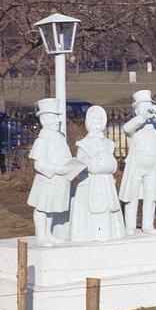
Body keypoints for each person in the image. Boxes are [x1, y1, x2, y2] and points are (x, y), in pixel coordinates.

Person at [118, 90, 156, 235]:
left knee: (150, 197)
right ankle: (130, 226)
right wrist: (143, 117)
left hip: (153, 169)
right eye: (144, 106)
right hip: (136, 167)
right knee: (132, 197)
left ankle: (147, 224)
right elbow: (126, 128)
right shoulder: (135, 128)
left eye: (149, 106)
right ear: (137, 110)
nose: (147, 109)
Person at [69, 105, 125, 242]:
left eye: (100, 120)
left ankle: (110, 232)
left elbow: (112, 163)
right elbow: (80, 163)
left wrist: (109, 165)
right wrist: (92, 164)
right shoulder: (83, 144)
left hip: (106, 183)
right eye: (93, 120)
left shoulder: (109, 144)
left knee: (108, 208)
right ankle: (89, 234)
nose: (97, 124)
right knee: (91, 210)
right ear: (88, 122)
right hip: (90, 183)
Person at [27, 98, 74, 247]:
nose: (57, 121)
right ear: (45, 119)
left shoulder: (60, 138)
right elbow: (38, 164)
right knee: (42, 208)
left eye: (57, 117)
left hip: (60, 180)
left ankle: (48, 233)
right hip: (47, 180)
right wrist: (57, 169)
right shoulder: (42, 140)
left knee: (51, 208)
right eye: (54, 117)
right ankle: (41, 236)